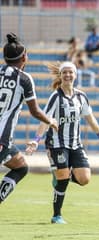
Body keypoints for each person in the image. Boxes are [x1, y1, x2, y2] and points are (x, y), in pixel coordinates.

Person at [25, 61, 99, 224]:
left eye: (70, 72)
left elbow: (90, 118)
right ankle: (56, 215)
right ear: (60, 76)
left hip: (76, 144)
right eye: (64, 72)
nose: (68, 75)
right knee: (62, 179)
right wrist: (36, 140)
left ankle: (62, 174)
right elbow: (45, 120)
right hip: (57, 144)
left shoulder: (81, 96)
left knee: (85, 179)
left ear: (75, 75)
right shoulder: (55, 97)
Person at [0, 33, 58, 204]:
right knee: (20, 169)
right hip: (1, 138)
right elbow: (35, 111)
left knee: (21, 167)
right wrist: (51, 121)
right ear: (24, 57)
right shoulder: (24, 79)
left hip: (5, 143)